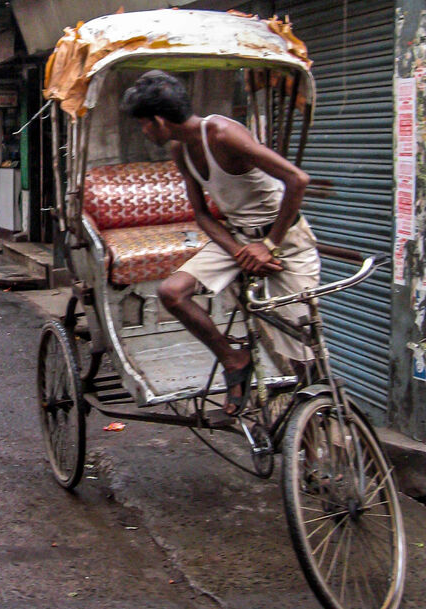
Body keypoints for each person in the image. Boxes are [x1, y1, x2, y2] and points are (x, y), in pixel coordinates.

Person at [121, 70, 319, 416]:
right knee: (172, 292)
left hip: (285, 240)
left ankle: (315, 420)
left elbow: (297, 179)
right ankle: (233, 360)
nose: (144, 131)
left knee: (301, 354)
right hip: (238, 239)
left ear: (159, 121)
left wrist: (268, 245)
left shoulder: (224, 134)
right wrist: (239, 253)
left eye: (143, 124)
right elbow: (202, 215)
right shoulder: (180, 149)